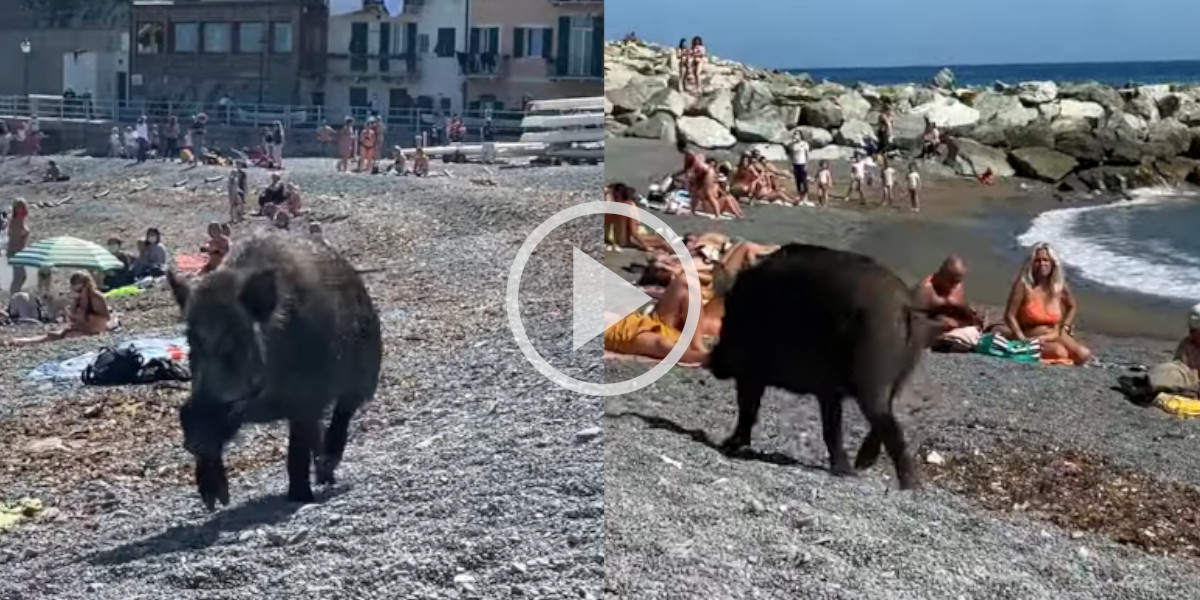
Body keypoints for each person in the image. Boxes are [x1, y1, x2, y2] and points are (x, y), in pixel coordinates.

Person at [994, 243, 1092, 365]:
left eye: (1046, 260)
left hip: (1055, 333)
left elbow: (1072, 306)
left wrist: (1065, 326)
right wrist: (1021, 339)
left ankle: (1056, 352)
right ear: (1031, 263)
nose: (1042, 264)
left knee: (1083, 354)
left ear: (1052, 263)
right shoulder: (1024, 284)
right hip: (1030, 335)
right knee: (1059, 352)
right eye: (1037, 261)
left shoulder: (1058, 285)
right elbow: (1009, 316)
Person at [3, 272, 110, 347]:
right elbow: (73, 316)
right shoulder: (78, 298)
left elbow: (104, 319)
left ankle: (17, 342)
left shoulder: (96, 298)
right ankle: (17, 341)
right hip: (80, 327)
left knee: (63, 336)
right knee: (51, 335)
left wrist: (84, 315)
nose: (77, 292)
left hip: (91, 329)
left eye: (80, 289)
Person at [914, 255, 982, 332]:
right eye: (951, 281)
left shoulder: (957, 283)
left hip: (956, 316)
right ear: (941, 273)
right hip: (937, 322)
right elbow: (916, 319)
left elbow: (960, 305)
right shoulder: (926, 290)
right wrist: (941, 322)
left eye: (958, 281)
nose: (954, 285)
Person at [1146, 303, 1200, 393]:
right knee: (1165, 372)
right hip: (1183, 374)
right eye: (1191, 330)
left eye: (1194, 331)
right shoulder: (1187, 343)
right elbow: (1179, 362)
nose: (1191, 334)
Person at [6, 199, 30, 295]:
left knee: (21, 277)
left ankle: (15, 295)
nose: (21, 209)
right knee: (19, 277)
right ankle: (13, 298)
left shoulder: (21, 220)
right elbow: (15, 240)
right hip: (15, 252)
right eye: (19, 207)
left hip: (20, 252)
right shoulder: (15, 222)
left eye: (22, 206)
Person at [788, 130, 811, 205]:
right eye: (795, 134)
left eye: (797, 134)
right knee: (797, 181)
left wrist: (807, 165)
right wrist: (791, 164)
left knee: (804, 180)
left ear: (800, 135)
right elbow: (791, 155)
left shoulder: (804, 144)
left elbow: (807, 155)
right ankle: (799, 195)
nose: (796, 136)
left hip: (802, 163)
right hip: (795, 164)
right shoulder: (793, 145)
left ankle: (806, 196)